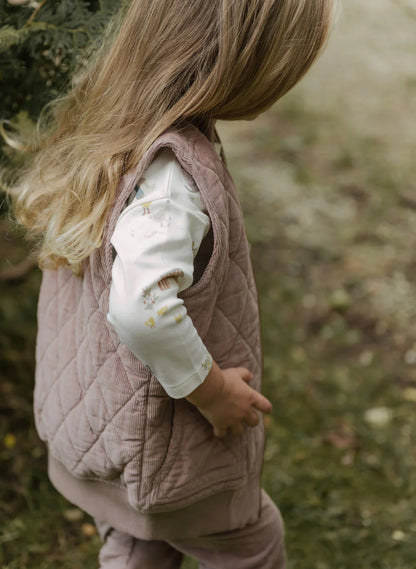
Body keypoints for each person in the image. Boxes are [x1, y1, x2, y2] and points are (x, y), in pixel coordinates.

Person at [1, 1, 335, 567]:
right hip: (170, 444)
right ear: (243, 65)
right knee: (254, 543)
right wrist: (215, 392)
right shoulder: (172, 181)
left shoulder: (114, 126)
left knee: (138, 541)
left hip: (112, 438)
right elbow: (141, 308)